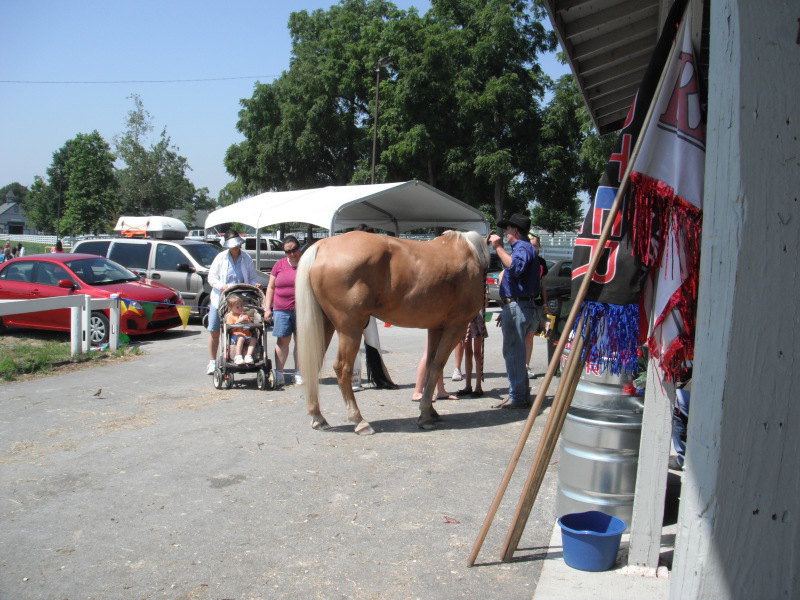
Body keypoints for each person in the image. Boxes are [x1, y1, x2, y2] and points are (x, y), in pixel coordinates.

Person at [488, 213, 541, 409]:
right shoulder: (526, 247)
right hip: (518, 305)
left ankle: (518, 397)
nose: (506, 233)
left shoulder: (523, 248)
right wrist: (508, 307)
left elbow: (515, 267)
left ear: (515, 231)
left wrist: (497, 247)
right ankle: (519, 394)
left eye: (508, 229)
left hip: (519, 306)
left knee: (513, 353)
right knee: (515, 352)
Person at [206, 231, 260, 375]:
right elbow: (211, 278)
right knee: (214, 330)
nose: (236, 248)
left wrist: (255, 285)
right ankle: (212, 362)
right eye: (233, 246)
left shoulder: (246, 258)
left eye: (237, 245)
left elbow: (252, 278)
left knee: (243, 329)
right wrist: (223, 287)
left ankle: (242, 355)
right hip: (221, 299)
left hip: (241, 301)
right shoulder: (220, 258)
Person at [264, 235, 302, 387]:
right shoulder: (279, 265)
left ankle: (298, 372)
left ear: (299, 248)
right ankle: (279, 372)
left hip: (302, 310)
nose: (292, 254)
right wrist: (267, 308)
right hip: (281, 309)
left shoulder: (306, 264)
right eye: (288, 251)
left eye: (294, 250)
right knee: (282, 341)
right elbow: (271, 287)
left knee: (301, 342)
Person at [525, 234, 550, 378]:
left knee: (530, 335)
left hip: (537, 303)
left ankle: (526, 365)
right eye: (531, 246)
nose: (533, 249)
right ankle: (519, 365)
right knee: (521, 335)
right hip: (524, 302)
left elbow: (543, 284)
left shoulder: (541, 262)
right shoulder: (523, 260)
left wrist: (545, 303)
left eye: (535, 246)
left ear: (539, 247)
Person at [455, 307, 488, 398]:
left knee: (477, 353)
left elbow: (485, 302)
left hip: (477, 315)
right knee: (468, 353)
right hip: (465, 315)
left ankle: (478, 386)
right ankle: (468, 386)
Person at [225, 294, 257, 365]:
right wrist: (238, 321)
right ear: (230, 308)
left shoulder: (245, 315)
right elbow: (229, 327)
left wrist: (248, 321)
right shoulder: (230, 316)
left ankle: (248, 356)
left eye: (241, 306)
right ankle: (238, 356)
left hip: (247, 335)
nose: (240, 308)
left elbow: (250, 323)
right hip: (235, 336)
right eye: (237, 307)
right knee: (241, 338)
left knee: (254, 339)